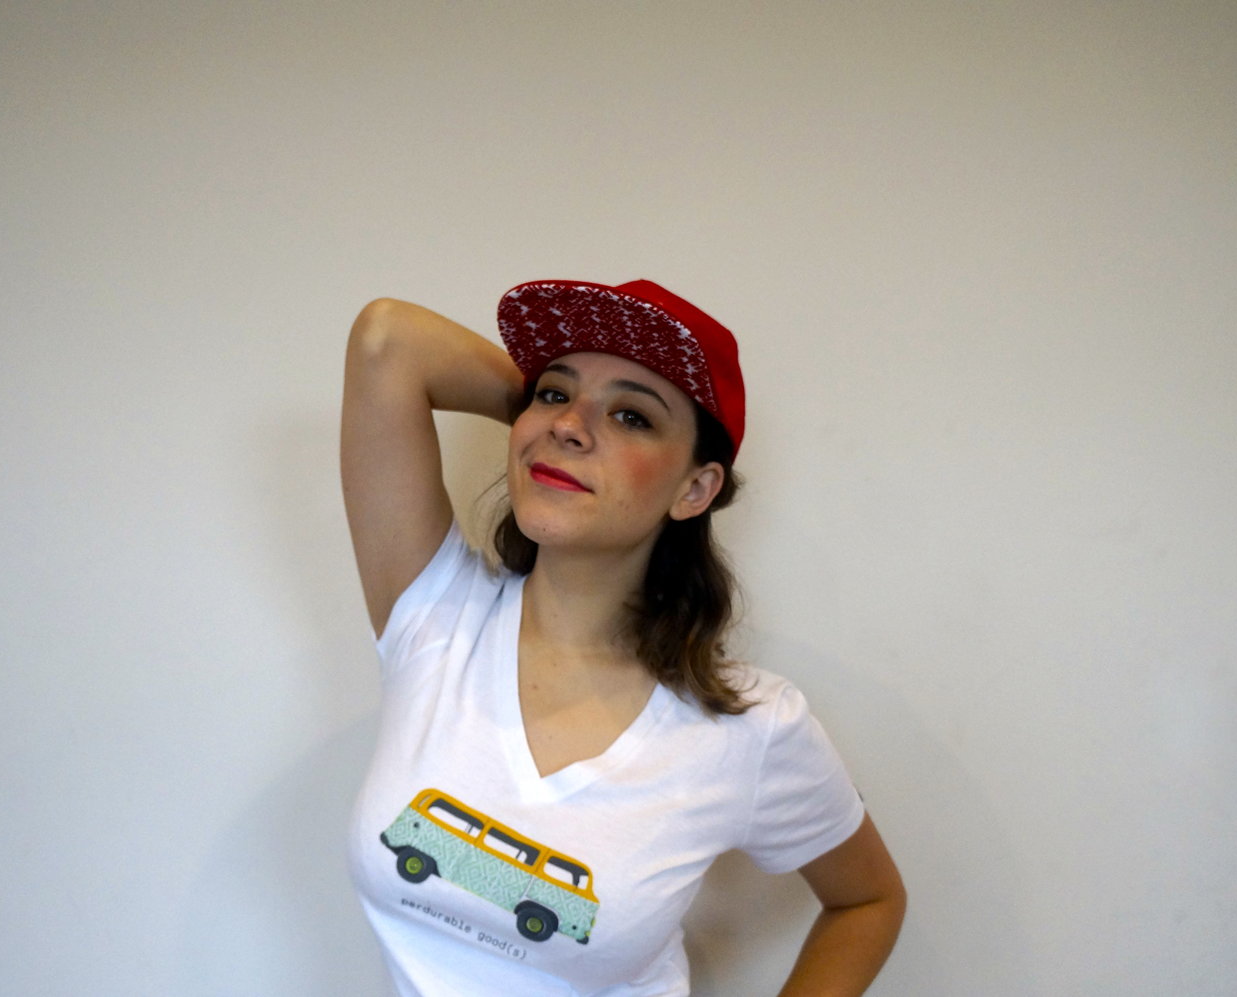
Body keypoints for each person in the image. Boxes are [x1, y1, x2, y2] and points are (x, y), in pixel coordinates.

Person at [341, 279, 905, 996]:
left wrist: (567, 423)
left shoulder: (752, 728)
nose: (570, 424)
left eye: (633, 415)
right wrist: (551, 426)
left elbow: (868, 901)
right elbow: (387, 339)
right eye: (553, 393)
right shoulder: (437, 616)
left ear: (695, 490)